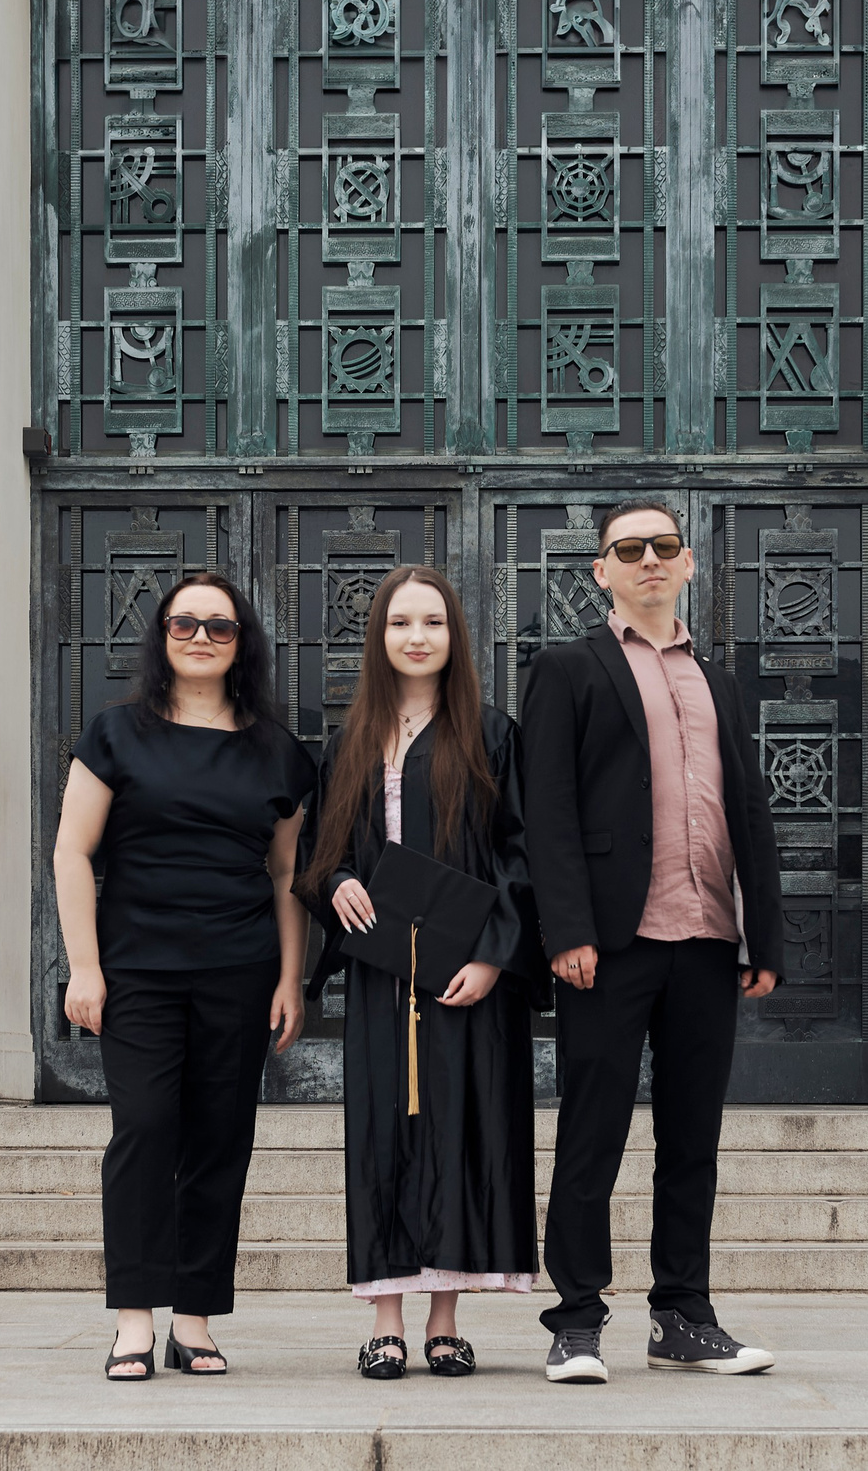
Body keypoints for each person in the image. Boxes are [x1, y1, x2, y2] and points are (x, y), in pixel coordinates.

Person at [519, 500, 786, 1382]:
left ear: (688, 563)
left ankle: (682, 1314)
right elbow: (547, 807)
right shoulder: (568, 667)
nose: (648, 561)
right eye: (628, 549)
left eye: (663, 547)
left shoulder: (720, 679)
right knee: (591, 1133)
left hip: (709, 936)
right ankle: (578, 1319)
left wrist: (764, 933)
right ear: (600, 570)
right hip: (612, 940)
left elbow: (747, 808)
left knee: (692, 1139)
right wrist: (565, 929)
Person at [52, 570, 314, 1381]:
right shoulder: (114, 734)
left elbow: (285, 876)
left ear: (243, 644)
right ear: (161, 635)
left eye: (220, 626)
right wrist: (85, 968)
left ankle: (194, 1318)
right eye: (185, 623)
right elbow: (72, 852)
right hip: (138, 975)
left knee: (219, 1142)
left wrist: (291, 980)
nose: (201, 637)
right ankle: (135, 1317)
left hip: (239, 973)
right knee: (143, 1133)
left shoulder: (278, 751)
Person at [299, 567, 545, 1380]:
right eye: (401, 621)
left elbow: (520, 857)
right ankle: (386, 1321)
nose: (416, 635)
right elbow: (316, 857)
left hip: (467, 976)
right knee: (383, 1135)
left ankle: (445, 1319)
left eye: (433, 621)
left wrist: (491, 953)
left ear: (453, 635)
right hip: (381, 977)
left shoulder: (492, 734)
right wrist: (335, 884)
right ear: (379, 635)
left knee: (464, 1132)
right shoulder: (351, 741)